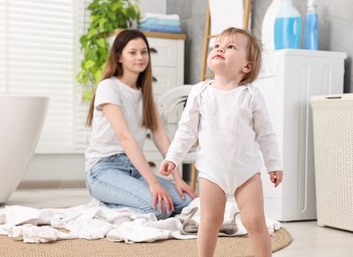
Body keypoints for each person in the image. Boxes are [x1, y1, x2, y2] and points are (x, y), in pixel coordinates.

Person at [159, 27, 283, 257]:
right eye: (217, 46)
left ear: (246, 66)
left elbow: (266, 134)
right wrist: (172, 157)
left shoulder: (251, 95)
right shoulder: (200, 92)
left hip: (246, 173)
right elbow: (186, 130)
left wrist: (273, 164)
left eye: (230, 47)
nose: (219, 49)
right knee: (209, 221)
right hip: (211, 172)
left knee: (255, 221)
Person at [84, 29, 196, 220]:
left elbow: (161, 136)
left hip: (134, 169)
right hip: (103, 169)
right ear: (119, 57)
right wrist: (153, 183)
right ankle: (103, 206)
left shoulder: (145, 95)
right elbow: (125, 138)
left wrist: (179, 180)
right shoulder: (108, 87)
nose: (140, 57)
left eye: (144, 52)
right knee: (159, 209)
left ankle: (120, 200)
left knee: (187, 202)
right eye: (133, 52)